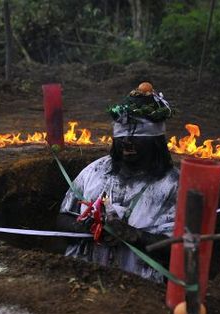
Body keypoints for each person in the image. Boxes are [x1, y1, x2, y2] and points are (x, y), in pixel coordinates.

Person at [55, 83, 179, 282]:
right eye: (121, 136)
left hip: (139, 291)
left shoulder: (173, 185)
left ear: (155, 140)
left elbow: (182, 251)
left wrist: (135, 236)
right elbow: (63, 219)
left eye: (137, 136)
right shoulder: (94, 171)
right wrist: (87, 227)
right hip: (80, 282)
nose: (127, 142)